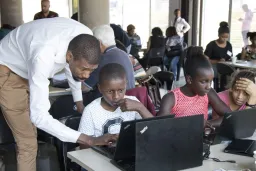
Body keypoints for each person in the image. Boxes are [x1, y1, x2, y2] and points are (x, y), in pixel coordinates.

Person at [0, 18, 117, 171]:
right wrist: (87, 139)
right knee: (27, 142)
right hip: (8, 70)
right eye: (84, 69)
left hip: (27, 67)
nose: (87, 76)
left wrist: (79, 103)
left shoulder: (85, 40)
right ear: (69, 56)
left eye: (91, 70)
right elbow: (39, 116)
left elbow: (72, 68)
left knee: (30, 134)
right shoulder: (43, 55)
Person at [79, 63, 152, 145]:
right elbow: (83, 146)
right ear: (100, 88)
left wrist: (140, 107)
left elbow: (155, 129)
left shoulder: (133, 102)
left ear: (126, 84)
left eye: (121, 90)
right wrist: (99, 141)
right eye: (110, 91)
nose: (116, 96)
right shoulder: (91, 110)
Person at [158, 46, 231, 122]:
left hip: (202, 133)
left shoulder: (209, 93)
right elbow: (161, 127)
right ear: (189, 79)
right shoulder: (171, 98)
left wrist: (208, 124)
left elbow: (230, 116)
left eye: (210, 81)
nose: (208, 86)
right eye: (203, 82)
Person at [83, 25, 135, 91]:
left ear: (99, 43)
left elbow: (84, 87)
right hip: (130, 97)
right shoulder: (123, 53)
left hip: (116, 100)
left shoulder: (104, 58)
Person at [204, 21, 233, 86]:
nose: (224, 39)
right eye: (223, 37)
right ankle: (217, 89)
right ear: (218, 35)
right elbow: (205, 60)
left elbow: (230, 57)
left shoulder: (229, 45)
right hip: (213, 66)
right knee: (218, 73)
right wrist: (218, 61)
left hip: (225, 66)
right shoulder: (211, 45)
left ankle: (225, 89)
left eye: (226, 37)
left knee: (232, 73)